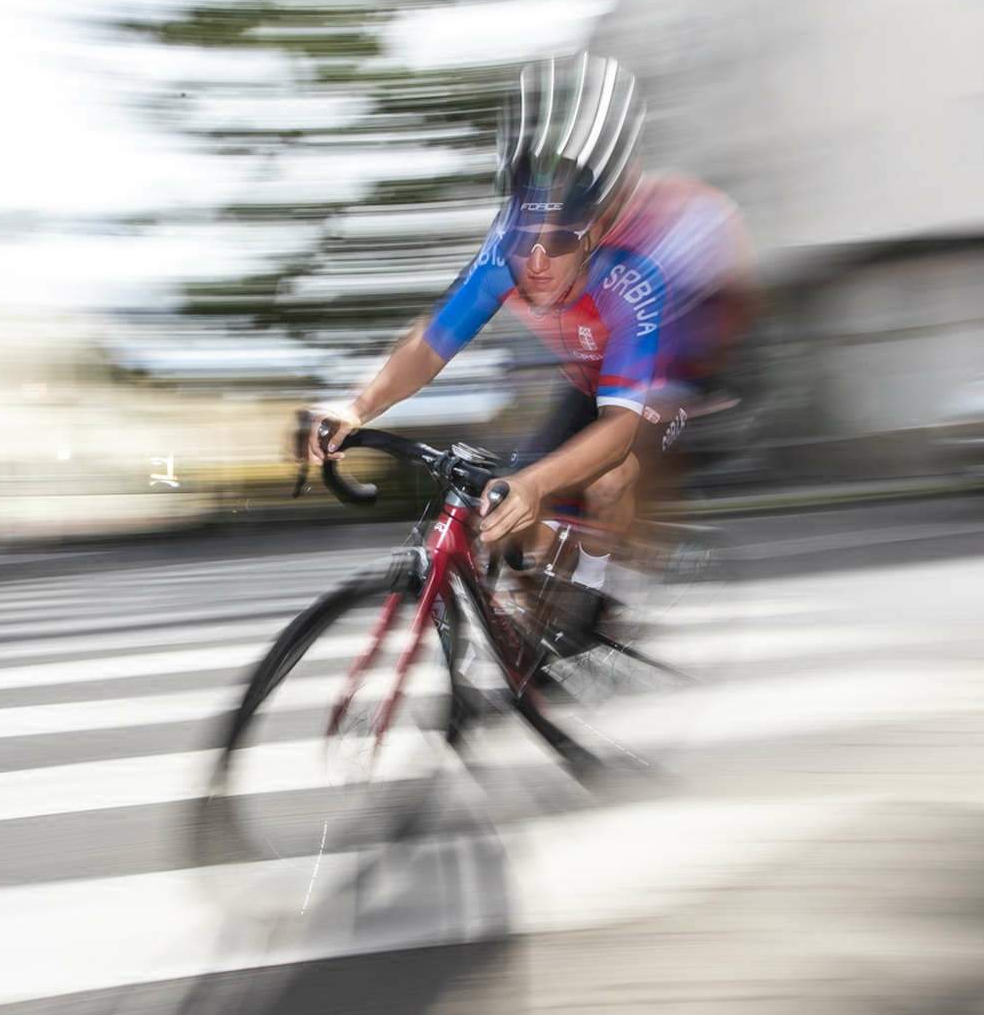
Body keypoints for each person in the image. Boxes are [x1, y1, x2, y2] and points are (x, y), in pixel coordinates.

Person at [305, 53, 752, 619]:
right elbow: (432, 344)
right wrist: (358, 406)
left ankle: (605, 594)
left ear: (596, 231)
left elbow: (620, 429)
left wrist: (542, 483)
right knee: (509, 509)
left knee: (610, 479)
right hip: (592, 369)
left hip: (668, 360)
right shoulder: (505, 252)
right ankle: (540, 623)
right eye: (523, 236)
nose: (536, 261)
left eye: (560, 240)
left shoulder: (633, 277)